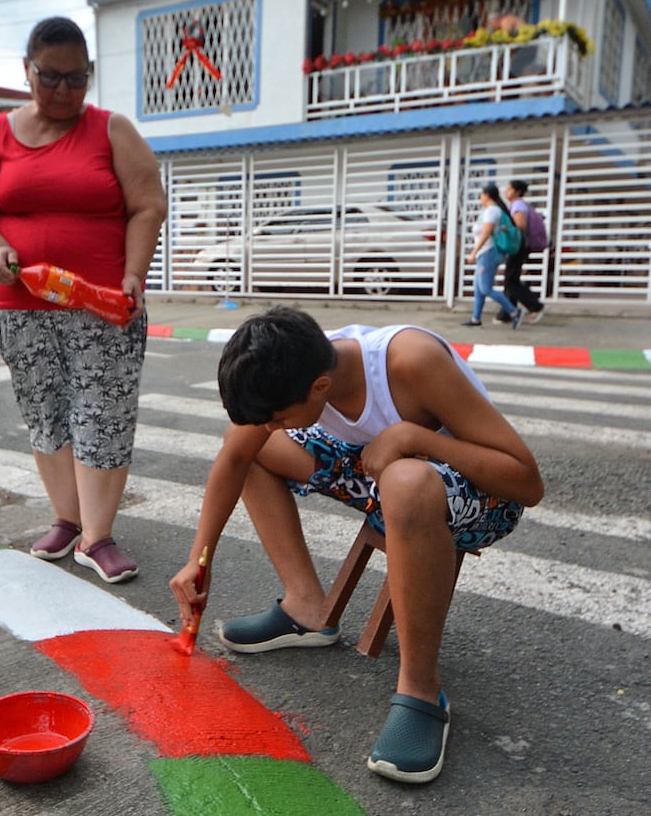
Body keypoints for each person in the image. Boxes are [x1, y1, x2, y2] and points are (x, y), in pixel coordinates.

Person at [170, 306, 544, 784]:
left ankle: (421, 692)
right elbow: (236, 454)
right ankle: (306, 609)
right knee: (249, 449)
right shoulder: (300, 364)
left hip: (482, 496)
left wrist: (414, 437)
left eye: (277, 417)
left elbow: (527, 484)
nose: (271, 426)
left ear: (319, 388)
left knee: (406, 482)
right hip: (383, 471)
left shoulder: (410, 361)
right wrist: (198, 559)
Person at [0, 16, 167, 584]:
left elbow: (148, 204)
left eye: (77, 78)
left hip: (101, 303)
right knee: (46, 412)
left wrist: (134, 274)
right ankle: (67, 520)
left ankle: (98, 536)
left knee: (103, 413)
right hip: (20, 306)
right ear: (27, 70)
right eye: (51, 77)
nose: (65, 90)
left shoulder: (111, 130)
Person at [463, 184, 522, 328]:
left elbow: (486, 233)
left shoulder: (492, 211)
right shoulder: (489, 211)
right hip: (485, 253)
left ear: (487, 195)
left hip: (489, 252)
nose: (480, 198)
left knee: (485, 288)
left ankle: (514, 312)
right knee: (478, 288)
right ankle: (475, 318)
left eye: (481, 195)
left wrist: (473, 253)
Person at [494, 179, 546, 325]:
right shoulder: (521, 204)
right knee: (511, 278)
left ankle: (535, 306)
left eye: (509, 189)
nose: (506, 192)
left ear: (516, 191)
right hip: (521, 245)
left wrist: (505, 228)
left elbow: (521, 225)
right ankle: (507, 313)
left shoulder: (518, 205)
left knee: (511, 279)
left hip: (519, 245)